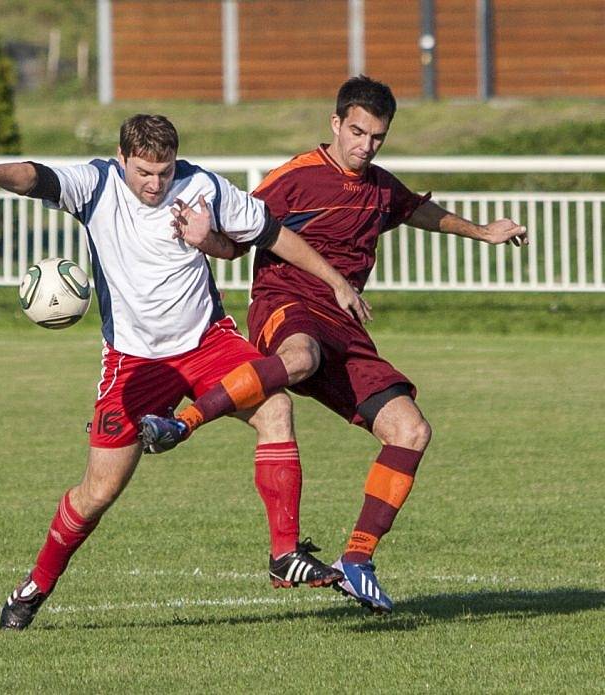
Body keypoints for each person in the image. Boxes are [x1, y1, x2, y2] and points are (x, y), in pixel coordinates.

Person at [0, 114, 361, 630]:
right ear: (122, 159)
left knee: (275, 405)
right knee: (97, 492)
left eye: (163, 172)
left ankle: (283, 555)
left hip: (209, 343)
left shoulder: (202, 186)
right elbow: (36, 176)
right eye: (143, 171)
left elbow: (272, 234)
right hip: (134, 361)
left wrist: (335, 279)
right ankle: (35, 586)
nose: (154, 183)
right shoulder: (96, 185)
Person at [154, 76, 529, 614]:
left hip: (345, 324)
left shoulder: (377, 184)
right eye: (357, 132)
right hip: (287, 303)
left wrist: (482, 232)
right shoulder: (295, 178)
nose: (366, 145)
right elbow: (236, 242)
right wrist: (205, 238)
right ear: (335, 124)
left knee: (411, 429)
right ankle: (183, 422)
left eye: (377, 136)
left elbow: (414, 210)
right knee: (300, 358)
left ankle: (357, 560)